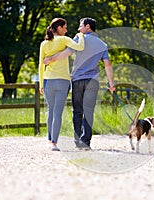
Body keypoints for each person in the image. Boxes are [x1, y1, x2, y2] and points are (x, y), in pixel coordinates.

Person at [44, 17, 115, 150]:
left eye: (80, 26)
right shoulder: (102, 44)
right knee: (88, 111)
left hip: (77, 80)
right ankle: (85, 142)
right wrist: (112, 84)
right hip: (93, 81)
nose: (78, 29)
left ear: (87, 26)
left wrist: (50, 59)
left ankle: (77, 141)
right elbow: (107, 65)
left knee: (77, 111)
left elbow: (66, 53)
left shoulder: (79, 39)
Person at [39, 18, 85, 151]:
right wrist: (80, 35)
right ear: (59, 28)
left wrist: (41, 83)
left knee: (51, 111)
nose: (66, 30)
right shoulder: (64, 40)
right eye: (64, 27)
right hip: (63, 81)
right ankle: (54, 143)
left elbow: (41, 64)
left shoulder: (44, 44)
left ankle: (49, 140)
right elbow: (80, 47)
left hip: (48, 81)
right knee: (57, 113)